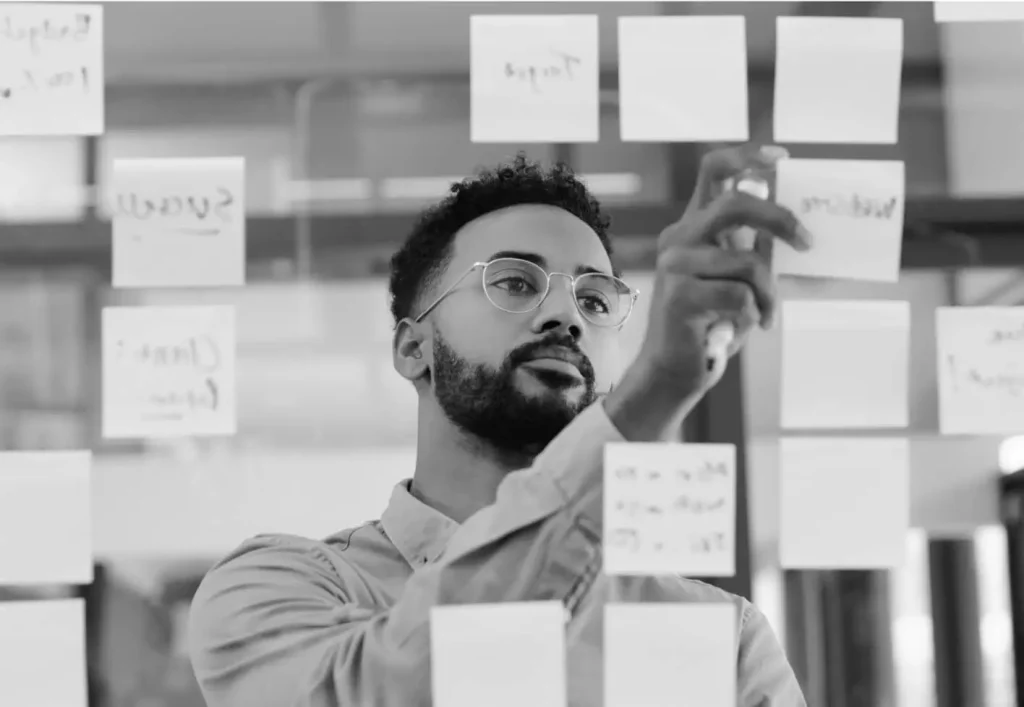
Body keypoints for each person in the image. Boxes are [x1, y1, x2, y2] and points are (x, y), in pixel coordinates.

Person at [188, 145, 813, 707]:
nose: (565, 315)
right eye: (515, 283)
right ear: (414, 349)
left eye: (595, 301)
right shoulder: (283, 588)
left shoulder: (721, 637)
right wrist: (654, 393)